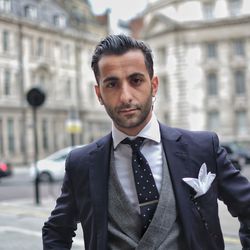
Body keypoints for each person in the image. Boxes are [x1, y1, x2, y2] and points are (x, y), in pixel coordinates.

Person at [42, 34, 250, 250]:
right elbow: (56, 231)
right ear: (99, 93)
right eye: (112, 84)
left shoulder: (202, 148)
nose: (125, 96)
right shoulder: (81, 163)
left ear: (154, 85)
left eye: (136, 80)